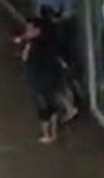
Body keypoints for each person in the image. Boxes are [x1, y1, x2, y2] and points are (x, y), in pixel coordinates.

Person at [15, 15, 78, 144]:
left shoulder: (34, 45)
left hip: (40, 80)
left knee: (44, 108)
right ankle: (53, 133)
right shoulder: (47, 42)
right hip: (50, 77)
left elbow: (25, 58)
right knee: (52, 104)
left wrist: (24, 43)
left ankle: (47, 134)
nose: (27, 32)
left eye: (30, 29)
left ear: (38, 30)